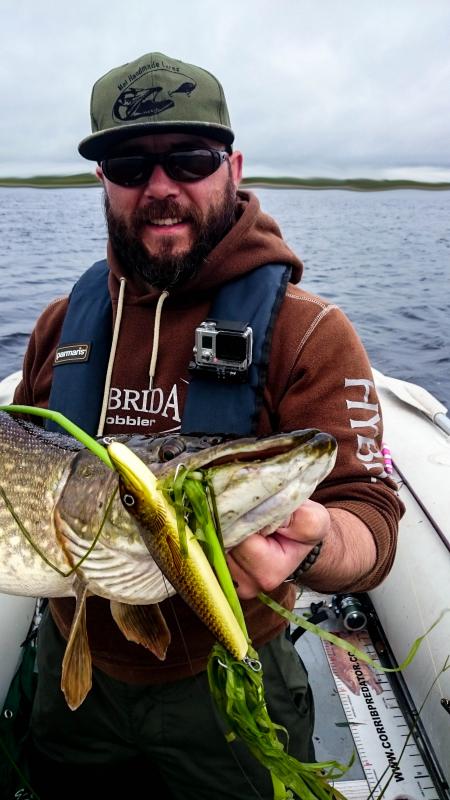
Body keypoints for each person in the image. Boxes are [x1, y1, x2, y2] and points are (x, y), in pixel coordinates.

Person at [14, 51, 403, 800]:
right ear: (103, 181)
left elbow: (372, 520)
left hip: (229, 681)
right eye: (130, 165)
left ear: (233, 167)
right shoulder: (61, 326)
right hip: (76, 673)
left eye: (189, 159)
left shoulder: (310, 332)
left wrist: (314, 542)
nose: (160, 187)